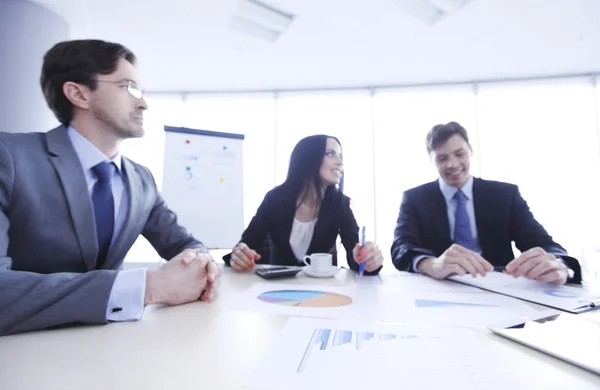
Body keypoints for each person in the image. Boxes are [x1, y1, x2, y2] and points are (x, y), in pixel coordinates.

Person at [0, 39, 221, 336]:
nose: (143, 103)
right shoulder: (10, 157)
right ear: (78, 94)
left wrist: (201, 264)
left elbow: (185, 244)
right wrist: (147, 287)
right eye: (128, 87)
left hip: (110, 351)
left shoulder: (141, 179)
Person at [391, 121, 581, 284]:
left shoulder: (505, 195)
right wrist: (431, 264)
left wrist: (561, 267)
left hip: (501, 290)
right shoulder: (415, 198)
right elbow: (401, 247)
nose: (452, 164)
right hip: (442, 289)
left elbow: (545, 244)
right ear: (432, 160)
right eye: (442, 158)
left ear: (470, 151)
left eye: (459, 154)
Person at [224, 135, 383, 275]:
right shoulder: (275, 199)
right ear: (308, 158)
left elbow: (355, 255)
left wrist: (368, 261)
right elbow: (247, 244)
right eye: (330, 154)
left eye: (340, 156)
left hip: (323, 291)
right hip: (278, 290)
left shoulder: (340, 204)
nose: (340, 162)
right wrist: (239, 256)